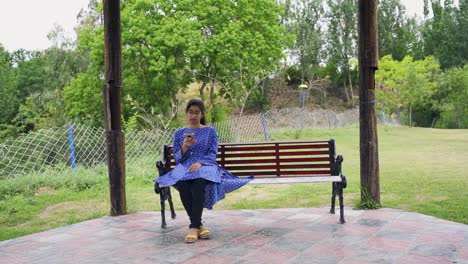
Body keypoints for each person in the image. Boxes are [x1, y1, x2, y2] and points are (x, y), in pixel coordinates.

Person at [156, 98, 253, 243]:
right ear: (186, 114)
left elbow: (213, 154)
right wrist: (185, 147)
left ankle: (192, 227)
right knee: (183, 184)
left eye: (197, 112)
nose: (193, 116)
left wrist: (200, 163)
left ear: (202, 114)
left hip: (206, 166)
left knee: (199, 182)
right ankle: (198, 225)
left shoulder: (210, 131)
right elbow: (178, 159)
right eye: (190, 112)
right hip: (185, 167)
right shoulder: (179, 133)